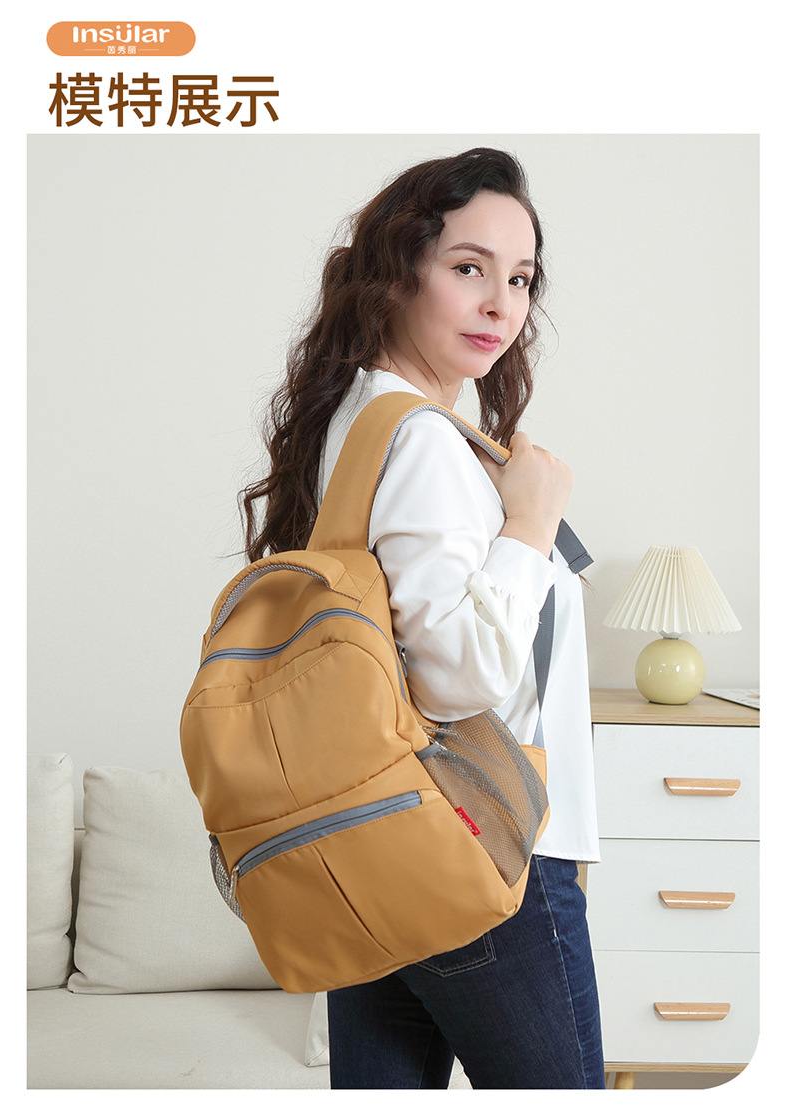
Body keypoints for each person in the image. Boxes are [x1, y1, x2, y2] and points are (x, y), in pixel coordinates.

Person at [240, 147, 605, 1090]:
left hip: (376, 830)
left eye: (518, 279)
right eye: (468, 268)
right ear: (398, 273)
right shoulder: (422, 442)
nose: (501, 305)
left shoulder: (360, 419)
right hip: (482, 840)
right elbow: (455, 676)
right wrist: (530, 524)